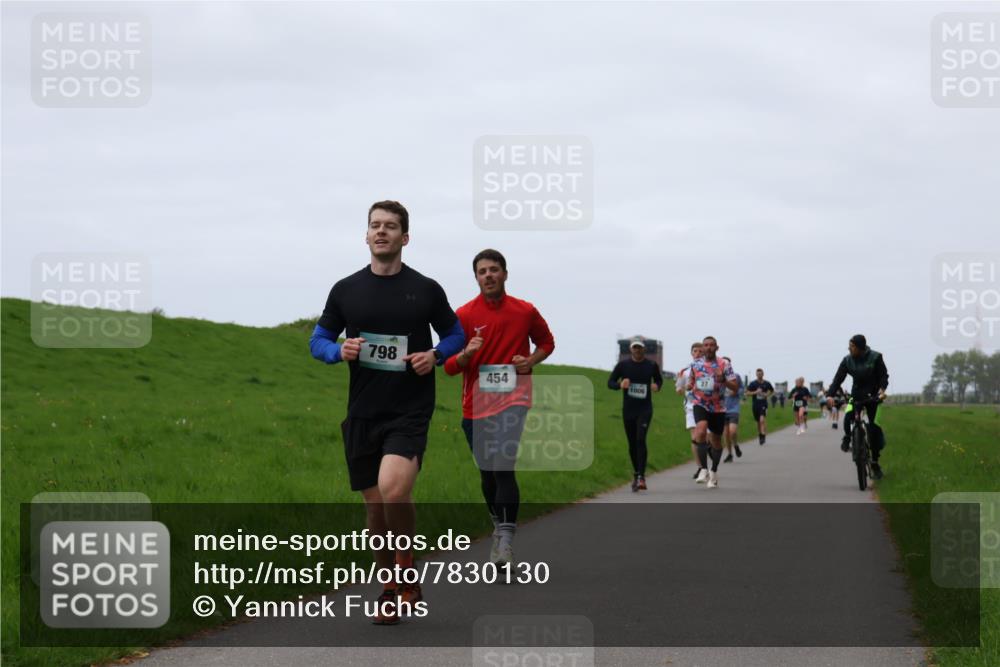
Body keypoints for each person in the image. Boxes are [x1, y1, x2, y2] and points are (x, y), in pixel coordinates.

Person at [309, 200, 464, 625]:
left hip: (409, 409)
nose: (381, 231)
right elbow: (318, 340)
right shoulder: (346, 290)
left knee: (393, 490)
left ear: (404, 237)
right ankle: (391, 586)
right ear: (366, 236)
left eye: (390, 226)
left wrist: (435, 355)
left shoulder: (426, 289)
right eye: (375, 225)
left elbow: (455, 333)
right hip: (363, 411)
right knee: (376, 510)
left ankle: (406, 567)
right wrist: (338, 350)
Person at [444, 249, 554, 567]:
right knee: (488, 472)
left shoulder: (525, 310)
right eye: (482, 271)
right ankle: (497, 526)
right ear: (476, 278)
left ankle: (506, 541)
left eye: (494, 269)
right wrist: (465, 355)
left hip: (513, 399)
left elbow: (547, 342)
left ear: (505, 274)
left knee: (503, 465)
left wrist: (529, 361)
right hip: (475, 406)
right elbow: (449, 366)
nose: (488, 275)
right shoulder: (464, 315)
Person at [826, 334, 889, 479]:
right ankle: (848, 437)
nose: (849, 349)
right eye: (849, 346)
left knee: (874, 428)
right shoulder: (847, 360)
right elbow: (838, 379)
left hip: (873, 396)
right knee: (848, 417)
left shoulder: (876, 357)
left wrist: (882, 390)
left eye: (852, 346)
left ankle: (875, 462)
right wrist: (830, 395)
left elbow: (883, 376)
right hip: (856, 395)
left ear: (860, 347)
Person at [609, 338, 664, 491]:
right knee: (632, 443)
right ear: (630, 350)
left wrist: (656, 386)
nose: (637, 350)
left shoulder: (651, 365)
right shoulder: (623, 365)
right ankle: (636, 473)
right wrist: (620, 385)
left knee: (640, 439)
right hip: (628, 410)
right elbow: (610, 383)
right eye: (635, 348)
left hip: (645, 409)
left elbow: (659, 380)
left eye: (640, 348)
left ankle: (641, 476)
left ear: (644, 349)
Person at [686, 336, 738, 489]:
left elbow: (735, 387)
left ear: (717, 347)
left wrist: (723, 380)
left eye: (711, 345)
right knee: (700, 431)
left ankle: (713, 471)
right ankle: (703, 468)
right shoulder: (695, 364)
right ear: (703, 348)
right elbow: (691, 381)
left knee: (716, 441)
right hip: (700, 403)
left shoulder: (724, 364)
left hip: (718, 407)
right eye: (706, 345)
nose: (708, 347)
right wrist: (689, 385)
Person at [674, 341, 704, 479]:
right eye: (695, 351)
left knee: (705, 437)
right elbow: (678, 387)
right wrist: (679, 389)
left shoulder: (709, 369)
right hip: (691, 407)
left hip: (706, 407)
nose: (698, 354)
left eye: (700, 351)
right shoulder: (684, 371)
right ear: (691, 353)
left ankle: (708, 461)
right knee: (695, 437)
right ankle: (700, 467)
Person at [721, 357, 743, 462]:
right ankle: (730, 454)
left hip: (734, 408)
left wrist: (736, 392)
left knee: (732, 431)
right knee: (726, 434)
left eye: (726, 363)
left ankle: (735, 445)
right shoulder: (717, 377)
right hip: (721, 409)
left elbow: (742, 389)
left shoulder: (736, 376)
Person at [745, 369, 774, 445]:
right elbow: (747, 393)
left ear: (763, 374)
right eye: (758, 374)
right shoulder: (753, 383)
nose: (759, 375)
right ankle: (760, 435)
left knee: (762, 420)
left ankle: (763, 435)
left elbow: (771, 390)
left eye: (760, 374)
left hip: (763, 404)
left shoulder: (767, 383)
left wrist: (766, 394)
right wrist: (756, 392)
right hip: (755, 405)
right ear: (756, 375)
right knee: (758, 422)